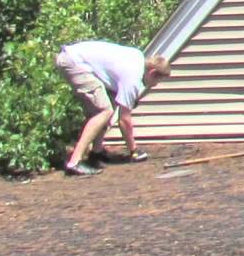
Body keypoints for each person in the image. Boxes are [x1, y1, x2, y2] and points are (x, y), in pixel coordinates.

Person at [55, 40, 170, 176]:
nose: (155, 85)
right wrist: (134, 150)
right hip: (74, 62)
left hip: (72, 57)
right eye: (157, 81)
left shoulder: (138, 57)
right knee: (104, 111)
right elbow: (124, 120)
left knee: (108, 104)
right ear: (152, 73)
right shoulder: (132, 77)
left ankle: (96, 153)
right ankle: (74, 162)